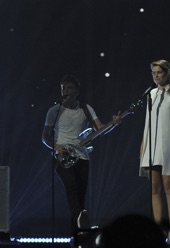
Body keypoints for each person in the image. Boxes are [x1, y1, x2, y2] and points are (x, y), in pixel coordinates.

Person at [42, 74, 121, 236]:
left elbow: (100, 130)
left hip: (82, 157)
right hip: (61, 158)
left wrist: (113, 123)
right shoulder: (54, 111)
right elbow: (45, 137)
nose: (66, 90)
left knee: (80, 194)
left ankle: (78, 232)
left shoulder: (86, 108)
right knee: (70, 185)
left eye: (69, 87)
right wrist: (56, 146)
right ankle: (80, 219)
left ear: (77, 90)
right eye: (63, 88)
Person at [139, 59, 170, 243]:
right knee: (154, 188)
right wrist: (143, 144)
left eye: (159, 72)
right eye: (153, 73)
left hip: (169, 144)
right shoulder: (151, 94)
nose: (156, 76)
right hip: (152, 145)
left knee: (169, 187)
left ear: (168, 73)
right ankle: (157, 230)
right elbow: (147, 122)